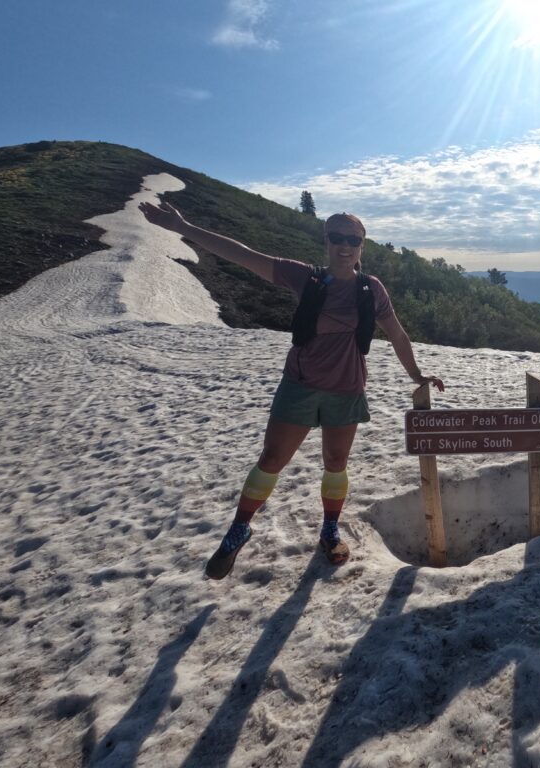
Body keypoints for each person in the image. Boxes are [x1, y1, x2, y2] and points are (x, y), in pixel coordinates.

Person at [138, 201, 444, 578]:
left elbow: (396, 333)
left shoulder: (371, 288)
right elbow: (244, 255)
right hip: (300, 385)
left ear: (362, 245)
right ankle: (239, 529)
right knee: (272, 459)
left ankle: (330, 531)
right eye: (336, 237)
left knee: (336, 463)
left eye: (353, 239)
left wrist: (416, 375)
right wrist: (183, 225)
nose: (344, 246)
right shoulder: (305, 277)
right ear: (326, 241)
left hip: (347, 387)